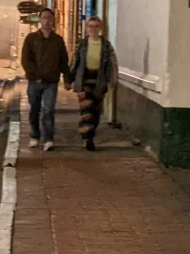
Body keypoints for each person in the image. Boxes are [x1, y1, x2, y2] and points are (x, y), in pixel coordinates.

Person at [21, 8, 72, 151]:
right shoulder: (31, 39)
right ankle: (35, 135)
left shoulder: (58, 41)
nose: (47, 21)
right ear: (40, 19)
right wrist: (34, 75)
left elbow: (63, 61)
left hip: (51, 81)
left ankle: (48, 138)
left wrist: (67, 79)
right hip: (35, 82)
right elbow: (26, 59)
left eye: (50, 18)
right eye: (44, 18)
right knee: (34, 110)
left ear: (53, 20)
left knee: (48, 110)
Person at [69, 16, 119, 151]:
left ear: (101, 28)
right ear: (87, 28)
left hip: (99, 82)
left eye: (96, 26)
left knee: (95, 112)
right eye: (90, 26)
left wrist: (113, 81)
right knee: (86, 110)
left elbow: (112, 64)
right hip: (84, 81)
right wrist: (69, 79)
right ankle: (87, 138)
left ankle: (90, 133)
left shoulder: (106, 46)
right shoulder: (82, 44)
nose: (93, 29)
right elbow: (74, 62)